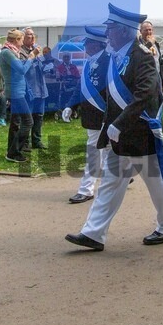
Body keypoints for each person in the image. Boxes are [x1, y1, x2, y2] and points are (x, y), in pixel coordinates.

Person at [65, 3, 163, 251]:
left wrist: (120, 123)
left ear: (126, 31)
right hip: (119, 136)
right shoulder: (116, 57)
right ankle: (93, 233)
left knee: (157, 184)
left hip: (140, 134)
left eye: (111, 28)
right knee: (109, 184)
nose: (107, 34)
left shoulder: (142, 56)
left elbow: (146, 94)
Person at [62, 25, 110, 203]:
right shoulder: (90, 62)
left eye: (87, 43)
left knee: (96, 151)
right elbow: (80, 88)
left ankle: (86, 189)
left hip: (105, 114)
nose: (85, 46)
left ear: (97, 45)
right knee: (103, 150)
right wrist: (70, 106)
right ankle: (119, 175)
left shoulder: (109, 61)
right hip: (92, 115)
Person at [0, 29, 36, 163]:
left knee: (16, 122)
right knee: (28, 121)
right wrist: (31, 58)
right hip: (16, 92)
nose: (22, 43)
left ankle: (11, 151)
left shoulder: (11, 51)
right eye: (21, 40)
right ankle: (15, 152)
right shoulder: (7, 53)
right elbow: (21, 70)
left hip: (18, 90)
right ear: (15, 40)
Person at [21, 27, 50, 149]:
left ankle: (37, 141)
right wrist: (33, 56)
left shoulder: (37, 49)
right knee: (28, 118)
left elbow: (42, 65)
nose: (32, 37)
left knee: (39, 116)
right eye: (29, 35)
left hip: (41, 88)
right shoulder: (20, 52)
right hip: (30, 89)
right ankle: (25, 143)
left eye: (33, 35)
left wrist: (47, 67)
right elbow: (23, 69)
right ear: (23, 38)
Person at [54, 51, 81, 121]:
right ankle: (62, 111)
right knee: (64, 96)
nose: (66, 58)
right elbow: (58, 77)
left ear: (70, 58)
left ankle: (74, 110)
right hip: (64, 86)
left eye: (67, 57)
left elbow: (78, 76)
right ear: (62, 58)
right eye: (64, 57)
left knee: (76, 94)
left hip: (73, 85)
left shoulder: (73, 66)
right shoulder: (59, 67)